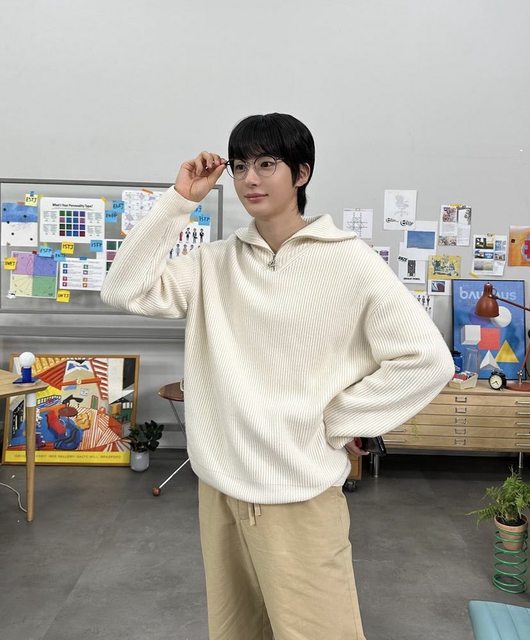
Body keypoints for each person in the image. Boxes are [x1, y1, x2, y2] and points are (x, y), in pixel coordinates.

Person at [101, 113, 454, 640]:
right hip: (220, 490)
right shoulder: (213, 264)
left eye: (267, 164)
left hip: (299, 495)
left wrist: (337, 419)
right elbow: (122, 289)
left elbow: (428, 359)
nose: (250, 178)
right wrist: (179, 201)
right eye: (240, 165)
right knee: (236, 632)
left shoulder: (350, 262)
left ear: (301, 173)